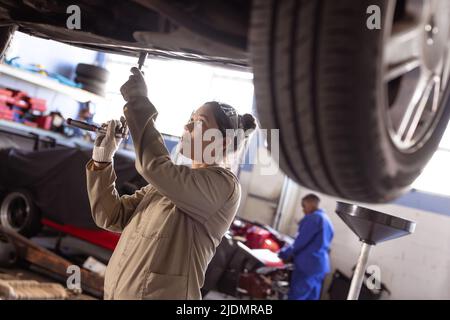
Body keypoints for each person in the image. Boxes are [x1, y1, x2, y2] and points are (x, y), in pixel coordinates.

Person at [85, 67, 257, 299]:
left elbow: (154, 166)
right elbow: (111, 216)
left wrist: (139, 101)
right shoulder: (170, 183)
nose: (186, 127)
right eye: (189, 119)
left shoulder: (224, 187)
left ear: (224, 143)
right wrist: (102, 160)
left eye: (199, 122)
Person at [278, 194, 334, 300]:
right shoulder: (327, 220)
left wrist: (283, 253)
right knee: (311, 297)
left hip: (307, 267)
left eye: (304, 205)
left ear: (311, 203)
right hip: (320, 266)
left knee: (296, 296)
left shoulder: (313, 218)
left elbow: (299, 242)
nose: (303, 209)